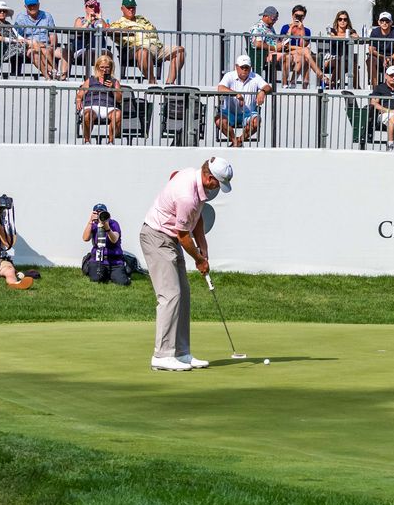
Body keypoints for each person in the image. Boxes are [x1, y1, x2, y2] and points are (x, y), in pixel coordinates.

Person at [141, 158, 232, 371]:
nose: (218, 188)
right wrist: (199, 260)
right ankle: (162, 355)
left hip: (170, 237)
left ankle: (181, 353)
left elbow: (197, 219)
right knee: (170, 294)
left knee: (183, 293)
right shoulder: (187, 196)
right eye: (218, 183)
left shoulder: (196, 181)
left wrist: (204, 247)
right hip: (156, 237)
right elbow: (183, 236)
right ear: (209, 177)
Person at [110, 0, 187, 85]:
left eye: (133, 7)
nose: (131, 9)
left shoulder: (142, 19)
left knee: (180, 50)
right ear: (122, 9)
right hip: (136, 49)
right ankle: (152, 80)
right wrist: (126, 31)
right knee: (143, 52)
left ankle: (170, 83)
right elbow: (110, 32)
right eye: (128, 7)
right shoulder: (118, 23)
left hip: (156, 46)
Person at [214, 54, 271, 147]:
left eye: (247, 67)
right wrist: (236, 94)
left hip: (248, 113)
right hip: (229, 112)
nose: (245, 69)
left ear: (250, 68)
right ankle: (235, 141)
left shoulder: (255, 77)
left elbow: (268, 87)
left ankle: (238, 142)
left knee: (256, 122)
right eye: (242, 67)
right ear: (236, 67)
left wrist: (262, 91)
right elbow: (220, 88)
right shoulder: (229, 75)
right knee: (219, 121)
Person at [275, 4, 328, 88]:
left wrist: (302, 29)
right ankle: (320, 75)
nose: (298, 18)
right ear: (292, 15)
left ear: (304, 17)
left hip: (299, 55)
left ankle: (292, 83)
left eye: (301, 16)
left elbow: (303, 44)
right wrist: (291, 28)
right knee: (306, 51)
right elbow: (284, 44)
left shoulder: (307, 30)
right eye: (296, 15)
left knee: (304, 56)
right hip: (288, 52)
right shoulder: (285, 27)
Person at [77, 53, 125, 144]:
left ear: (111, 68)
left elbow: (119, 99)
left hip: (109, 107)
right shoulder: (90, 80)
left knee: (118, 114)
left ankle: (111, 141)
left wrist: (113, 89)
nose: (104, 70)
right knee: (87, 114)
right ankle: (87, 141)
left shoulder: (114, 82)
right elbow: (80, 94)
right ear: (97, 67)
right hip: (91, 106)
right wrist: (78, 100)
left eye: (107, 67)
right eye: (102, 67)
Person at [81, 203, 131, 285]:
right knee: (96, 279)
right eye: (97, 213)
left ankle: (115, 273)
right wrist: (90, 221)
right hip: (98, 259)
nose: (100, 215)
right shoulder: (93, 225)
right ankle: (102, 272)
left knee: (122, 282)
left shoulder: (113, 224)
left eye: (102, 213)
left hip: (114, 261)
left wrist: (107, 228)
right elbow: (85, 238)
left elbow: (114, 239)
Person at [322, 9, 360, 88]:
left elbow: (356, 37)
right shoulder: (332, 30)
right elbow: (331, 37)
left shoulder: (351, 31)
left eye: (345, 19)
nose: (342, 21)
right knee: (340, 62)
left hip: (345, 58)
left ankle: (356, 87)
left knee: (353, 65)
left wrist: (340, 37)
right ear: (337, 21)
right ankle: (332, 83)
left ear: (347, 21)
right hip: (332, 57)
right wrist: (347, 37)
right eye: (340, 19)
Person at [365, 12, 394, 86]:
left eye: (387, 21)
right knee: (370, 60)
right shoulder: (374, 32)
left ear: (391, 22)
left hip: (393, 58)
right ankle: (375, 88)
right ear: (379, 22)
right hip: (378, 58)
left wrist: (389, 58)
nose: (384, 23)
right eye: (382, 21)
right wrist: (383, 58)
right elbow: (371, 50)